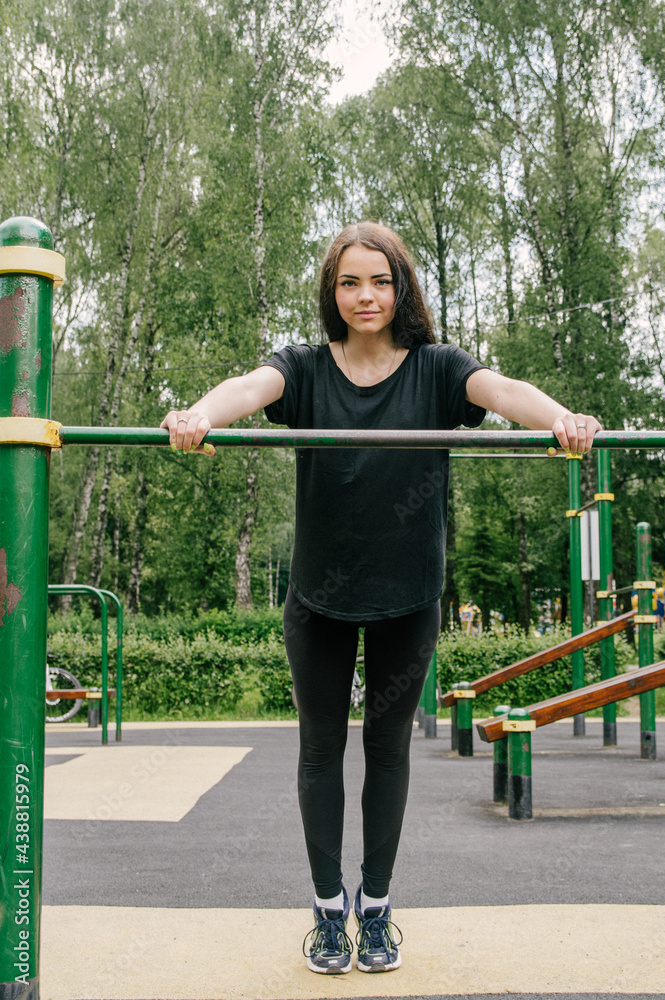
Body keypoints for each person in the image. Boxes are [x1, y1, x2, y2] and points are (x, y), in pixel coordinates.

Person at [161, 221, 602, 976]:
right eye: (349, 282)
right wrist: (199, 414)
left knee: (387, 749)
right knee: (319, 748)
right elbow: (247, 387)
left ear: (401, 289)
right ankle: (328, 909)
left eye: (379, 281)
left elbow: (502, 391)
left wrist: (560, 417)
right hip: (319, 597)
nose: (365, 296)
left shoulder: (434, 368)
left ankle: (377, 910)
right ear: (332, 293)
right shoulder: (303, 367)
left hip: (407, 595)